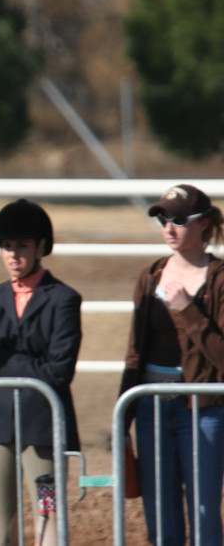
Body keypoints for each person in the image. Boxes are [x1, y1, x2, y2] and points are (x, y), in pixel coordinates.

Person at [0, 198, 81, 546]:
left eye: (21, 245)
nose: (12, 254)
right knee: (2, 524)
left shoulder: (63, 299)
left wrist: (5, 366)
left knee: (48, 516)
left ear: (40, 247)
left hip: (42, 423)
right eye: (6, 246)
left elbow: (59, 370)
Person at [118, 184, 224, 546]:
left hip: (204, 409)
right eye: (163, 219)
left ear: (204, 225)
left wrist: (189, 311)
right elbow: (135, 352)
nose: (169, 227)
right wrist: (124, 415)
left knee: (205, 516)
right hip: (151, 408)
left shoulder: (220, 278)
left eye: (179, 219)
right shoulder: (149, 277)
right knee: (160, 520)